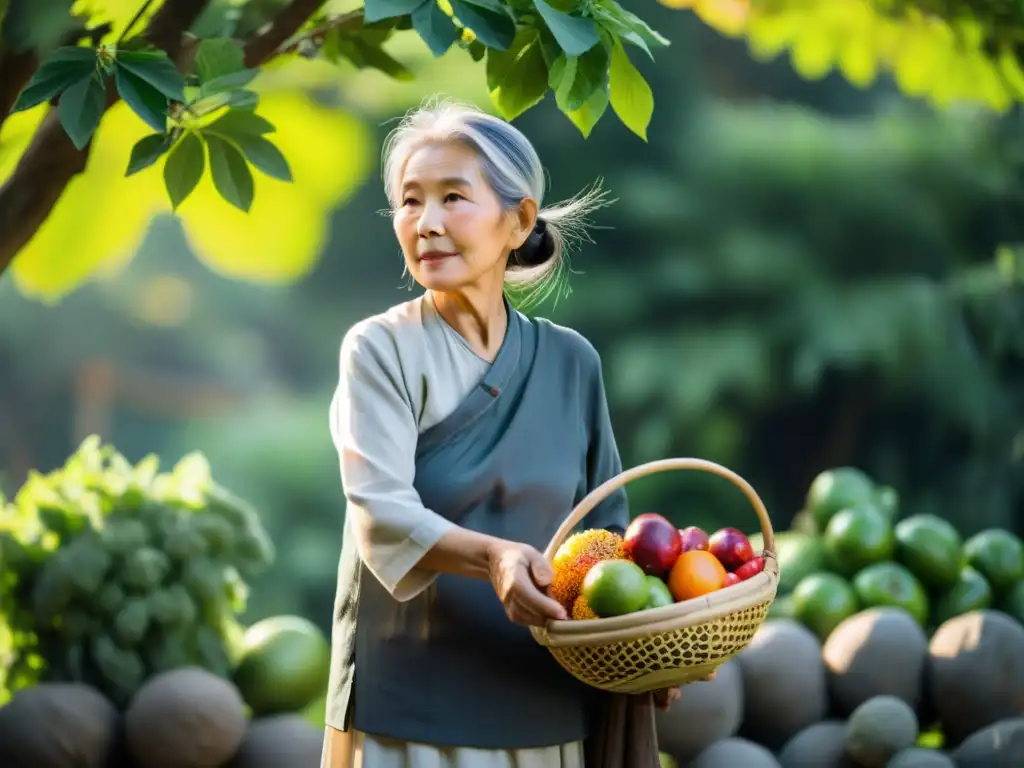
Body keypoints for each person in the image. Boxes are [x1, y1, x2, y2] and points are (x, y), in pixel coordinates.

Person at [321, 97, 682, 768]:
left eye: (453, 197)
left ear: (517, 221)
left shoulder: (573, 362)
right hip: (414, 710)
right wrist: (495, 557)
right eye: (409, 201)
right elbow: (381, 516)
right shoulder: (380, 350)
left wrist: (654, 637)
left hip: (548, 700)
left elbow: (610, 537)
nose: (426, 223)